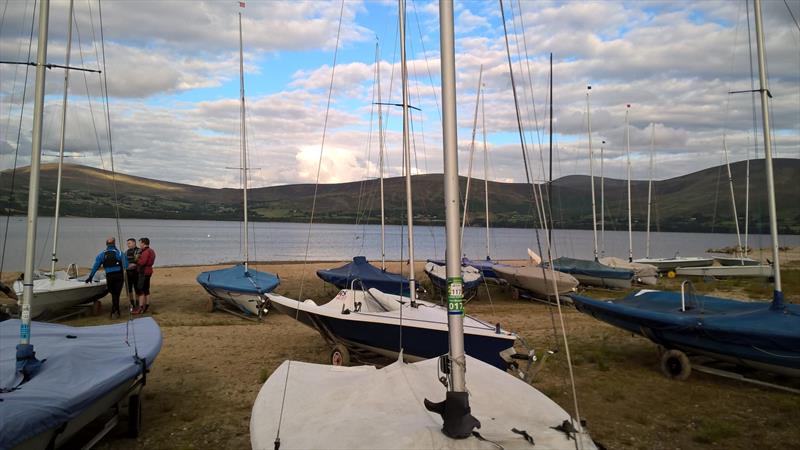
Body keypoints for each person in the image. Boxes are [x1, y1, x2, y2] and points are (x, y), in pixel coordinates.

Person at [87, 237, 128, 319]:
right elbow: (126, 265)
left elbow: (96, 266)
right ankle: (115, 311)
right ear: (114, 243)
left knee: (113, 294)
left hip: (109, 276)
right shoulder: (120, 253)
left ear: (106, 244)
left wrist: (90, 276)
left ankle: (115, 311)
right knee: (117, 294)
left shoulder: (102, 254)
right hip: (119, 276)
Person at [135, 237, 155, 314]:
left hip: (144, 272)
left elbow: (142, 262)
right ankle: (146, 306)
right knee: (146, 289)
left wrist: (137, 259)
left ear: (143, 243)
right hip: (148, 271)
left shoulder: (146, 252)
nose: (139, 245)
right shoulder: (151, 251)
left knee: (141, 289)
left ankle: (140, 307)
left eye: (140, 243)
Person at [125, 238, 141, 309]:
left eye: (129, 243)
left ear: (134, 243)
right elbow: (124, 261)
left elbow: (136, 260)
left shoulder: (138, 250)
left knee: (137, 288)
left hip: (136, 272)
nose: (128, 245)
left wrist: (132, 264)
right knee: (129, 289)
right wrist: (128, 266)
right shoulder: (126, 252)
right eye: (127, 243)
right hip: (128, 273)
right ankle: (132, 303)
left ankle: (137, 302)